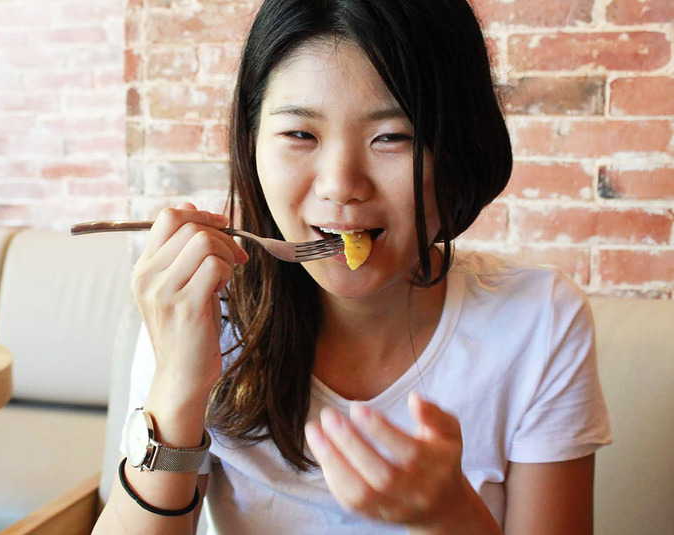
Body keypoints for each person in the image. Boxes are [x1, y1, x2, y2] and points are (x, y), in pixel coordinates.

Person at [93, 0, 611, 533]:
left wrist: (451, 514)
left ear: (458, 149)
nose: (340, 185)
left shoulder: (539, 322)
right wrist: (178, 385)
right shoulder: (203, 314)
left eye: (392, 137)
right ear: (252, 143)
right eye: (300, 135)